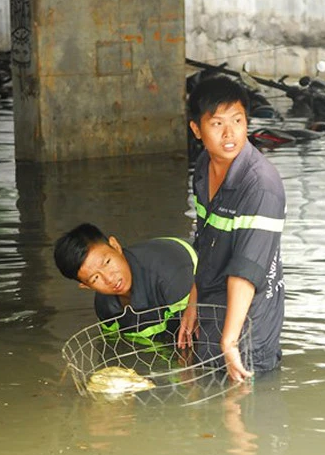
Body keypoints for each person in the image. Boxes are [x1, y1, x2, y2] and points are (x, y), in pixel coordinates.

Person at [179, 75, 286, 383]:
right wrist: (193, 301)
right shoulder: (203, 167)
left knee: (245, 411)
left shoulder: (262, 186)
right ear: (197, 130)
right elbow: (205, 241)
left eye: (238, 120)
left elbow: (246, 269)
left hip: (250, 320)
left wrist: (229, 341)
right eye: (217, 124)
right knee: (211, 409)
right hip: (213, 306)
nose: (230, 134)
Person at [53, 223, 197, 342]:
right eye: (95, 278)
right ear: (86, 286)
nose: (109, 279)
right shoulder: (105, 308)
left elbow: (195, 336)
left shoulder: (170, 275)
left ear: (115, 246)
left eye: (107, 262)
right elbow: (115, 345)